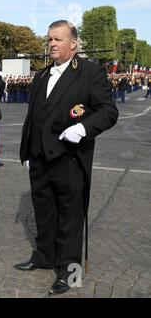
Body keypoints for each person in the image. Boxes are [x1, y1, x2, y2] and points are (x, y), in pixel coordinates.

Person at [16, 20, 118, 295]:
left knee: (70, 218)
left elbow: (108, 111)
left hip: (69, 159)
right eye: (49, 39)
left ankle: (70, 271)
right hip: (40, 160)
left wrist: (83, 128)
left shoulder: (89, 72)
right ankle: (45, 256)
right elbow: (33, 118)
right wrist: (26, 151)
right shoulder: (41, 76)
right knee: (44, 213)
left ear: (74, 43)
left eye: (58, 39)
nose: (52, 44)